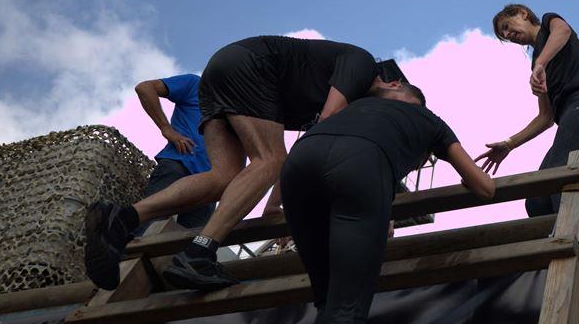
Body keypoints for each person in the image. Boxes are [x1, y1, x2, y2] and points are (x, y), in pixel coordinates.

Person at [85, 36, 386, 292]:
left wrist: (274, 204)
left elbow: (304, 149)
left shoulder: (329, 97)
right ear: (393, 84)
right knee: (269, 159)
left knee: (225, 177)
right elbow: (321, 129)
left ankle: (121, 218)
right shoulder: (364, 65)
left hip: (224, 77)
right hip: (249, 67)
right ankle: (199, 253)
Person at [281, 63, 494, 324]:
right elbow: (485, 188)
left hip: (299, 160)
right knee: (347, 307)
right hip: (361, 163)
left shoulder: (353, 108)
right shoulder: (430, 120)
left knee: (326, 298)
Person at [478, 4, 579, 217]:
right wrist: (509, 144)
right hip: (571, 122)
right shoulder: (536, 65)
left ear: (522, 13)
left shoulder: (549, 23)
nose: (508, 34)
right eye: (504, 35)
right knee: (537, 201)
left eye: (506, 26)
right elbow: (545, 118)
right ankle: (565, 232)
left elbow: (564, 31)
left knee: (559, 175)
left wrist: (541, 63)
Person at [131, 74, 213, 235]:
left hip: (211, 185)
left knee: (189, 243)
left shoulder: (237, 109)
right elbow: (145, 88)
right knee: (146, 227)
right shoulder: (196, 85)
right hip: (179, 165)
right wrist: (166, 129)